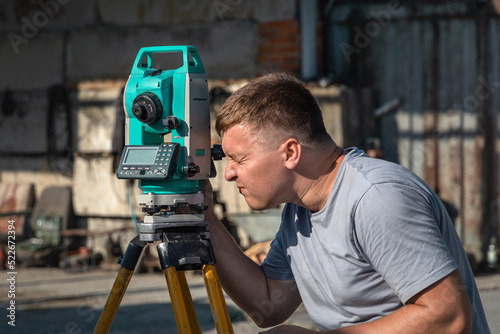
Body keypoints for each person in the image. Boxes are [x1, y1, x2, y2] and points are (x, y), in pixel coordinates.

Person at [204, 73, 490, 333]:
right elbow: (268, 304)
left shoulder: (375, 197)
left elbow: (449, 318)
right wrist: (205, 219)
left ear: (291, 152)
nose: (228, 173)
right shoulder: (298, 209)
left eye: (239, 159)